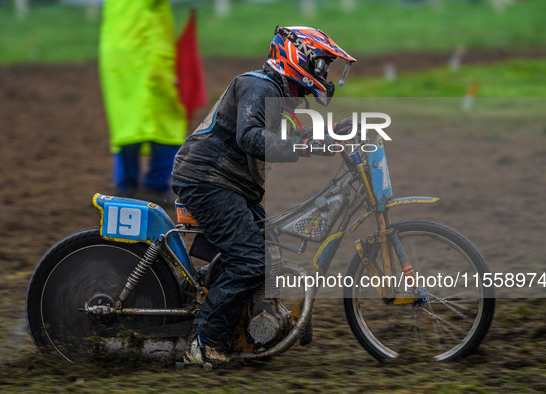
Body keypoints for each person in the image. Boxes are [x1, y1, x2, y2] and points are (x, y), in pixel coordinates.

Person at [172, 26, 356, 366]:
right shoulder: (258, 86)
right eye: (320, 65)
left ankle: (242, 328)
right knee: (251, 261)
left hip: (230, 185)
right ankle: (203, 342)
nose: (324, 75)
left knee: (266, 251)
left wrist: (333, 134)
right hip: (208, 180)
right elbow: (251, 136)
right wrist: (306, 145)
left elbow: (292, 135)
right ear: (298, 57)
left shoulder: (281, 96)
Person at [99, 0, 187, 201]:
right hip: (147, 51)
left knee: (127, 121)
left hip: (116, 49)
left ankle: (126, 186)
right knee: (167, 119)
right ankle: (156, 183)